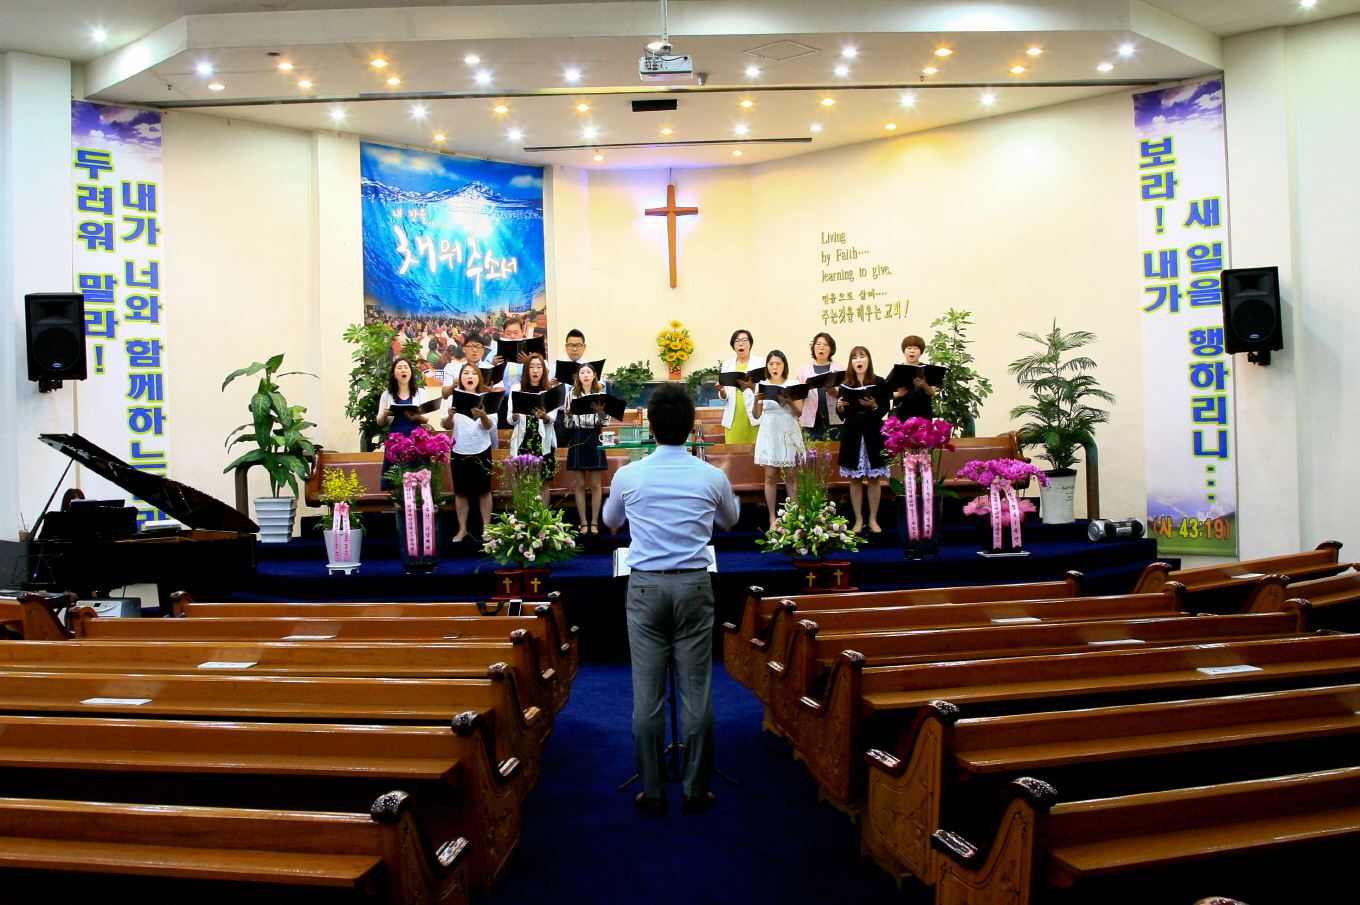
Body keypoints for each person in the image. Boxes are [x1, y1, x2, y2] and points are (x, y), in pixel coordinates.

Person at [602, 383, 740, 817]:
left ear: (651, 427)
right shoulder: (711, 475)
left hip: (645, 585)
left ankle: (653, 790)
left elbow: (610, 520)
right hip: (695, 583)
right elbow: (731, 520)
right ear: (691, 425)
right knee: (696, 690)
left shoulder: (630, 474)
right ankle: (696, 789)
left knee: (647, 693)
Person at [747, 350, 805, 530]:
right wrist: (756, 401)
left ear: (784, 365)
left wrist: (789, 402)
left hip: (788, 428)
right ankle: (772, 518)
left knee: (791, 476)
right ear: (767, 366)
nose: (775, 367)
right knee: (770, 476)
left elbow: (799, 413)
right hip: (769, 430)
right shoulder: (762, 385)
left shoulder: (793, 384)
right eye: (771, 363)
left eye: (778, 363)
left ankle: (794, 517)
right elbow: (757, 415)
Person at [835, 345, 890, 534]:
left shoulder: (879, 382)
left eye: (862, 356)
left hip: (873, 432)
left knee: (874, 478)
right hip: (853, 433)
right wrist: (840, 407)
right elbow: (841, 414)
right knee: (855, 479)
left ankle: (873, 519)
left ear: (868, 360)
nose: (858, 360)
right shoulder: (845, 384)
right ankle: (858, 519)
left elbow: (885, 408)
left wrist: (874, 405)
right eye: (855, 357)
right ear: (851, 363)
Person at [441, 362, 495, 544]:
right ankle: (462, 529)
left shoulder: (486, 398)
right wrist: (450, 415)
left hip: (482, 449)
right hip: (459, 449)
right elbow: (446, 425)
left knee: (484, 491)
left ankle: (487, 528)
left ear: (479, 378)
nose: (469, 376)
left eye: (473, 373)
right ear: (460, 377)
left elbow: (489, 427)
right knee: (461, 492)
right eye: (466, 373)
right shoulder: (453, 397)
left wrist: (483, 416)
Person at [564, 362, 609, 534]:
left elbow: (606, 422)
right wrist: (569, 416)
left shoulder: (601, 395)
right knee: (580, 484)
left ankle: (594, 522)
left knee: (596, 484)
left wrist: (601, 412)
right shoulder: (571, 395)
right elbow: (567, 424)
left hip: (595, 435)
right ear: (578, 376)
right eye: (582, 372)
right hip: (578, 435)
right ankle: (583, 522)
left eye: (588, 372)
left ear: (594, 375)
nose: (585, 375)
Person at [508, 352, 558, 507]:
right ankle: (524, 517)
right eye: (531, 367)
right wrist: (515, 415)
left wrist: (544, 417)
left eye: (539, 367)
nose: (535, 371)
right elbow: (510, 419)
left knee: (543, 483)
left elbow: (553, 418)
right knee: (523, 481)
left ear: (544, 370)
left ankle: (542, 517)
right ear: (526, 370)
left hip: (543, 442)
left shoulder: (550, 390)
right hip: (523, 440)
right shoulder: (516, 389)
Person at [796, 332, 845, 440]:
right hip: (810, 423)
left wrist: (835, 393)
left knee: (834, 450)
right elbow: (797, 397)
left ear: (831, 349)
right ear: (813, 347)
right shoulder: (804, 370)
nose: (821, 347)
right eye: (818, 344)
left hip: (834, 421)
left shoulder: (839, 368)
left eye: (825, 345)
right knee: (812, 450)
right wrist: (803, 389)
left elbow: (846, 396)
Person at [716, 328, 759, 444]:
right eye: (737, 341)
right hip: (733, 415)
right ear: (733, 345)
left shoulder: (760, 363)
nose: (741, 343)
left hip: (755, 414)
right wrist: (722, 391)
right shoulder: (727, 364)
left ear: (750, 344)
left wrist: (752, 387)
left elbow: (765, 389)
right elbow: (724, 395)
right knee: (733, 450)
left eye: (744, 340)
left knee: (755, 451)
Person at [376, 357, 429, 439]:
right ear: (394, 373)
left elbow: (426, 419)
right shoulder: (386, 394)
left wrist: (416, 416)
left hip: (416, 438)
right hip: (395, 439)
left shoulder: (420, 393)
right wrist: (384, 415)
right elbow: (379, 422)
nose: (403, 370)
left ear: (410, 372)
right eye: (399, 368)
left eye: (406, 367)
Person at [891, 334, 938, 421]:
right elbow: (885, 394)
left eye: (916, 348)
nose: (912, 351)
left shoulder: (929, 370)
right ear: (904, 351)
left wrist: (924, 385)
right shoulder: (896, 370)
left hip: (923, 414)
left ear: (921, 351)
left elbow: (932, 393)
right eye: (909, 348)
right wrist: (898, 394)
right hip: (902, 415)